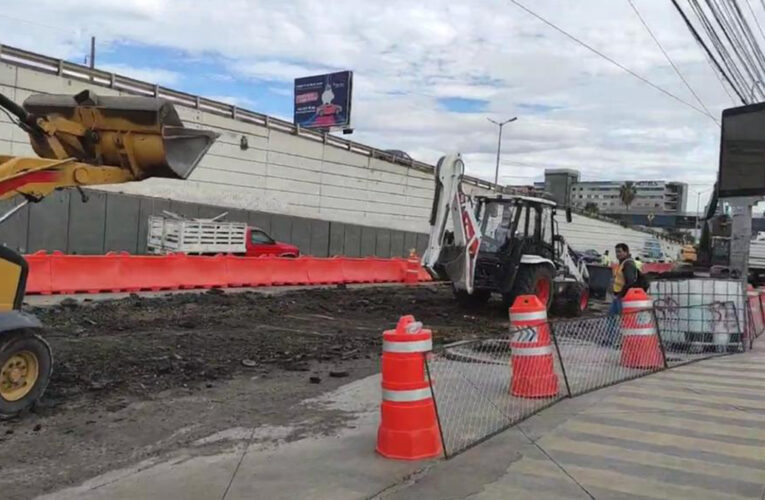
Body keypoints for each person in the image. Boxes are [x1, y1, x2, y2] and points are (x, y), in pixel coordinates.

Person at [605, 243, 638, 346]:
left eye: (619, 251)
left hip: (623, 297)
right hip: (617, 296)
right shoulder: (622, 263)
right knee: (611, 317)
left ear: (626, 252)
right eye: (616, 252)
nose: (617, 254)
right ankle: (612, 340)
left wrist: (621, 294)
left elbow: (630, 281)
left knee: (623, 320)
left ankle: (622, 341)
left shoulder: (628, 264)